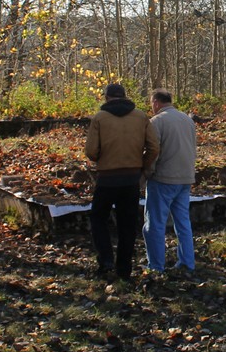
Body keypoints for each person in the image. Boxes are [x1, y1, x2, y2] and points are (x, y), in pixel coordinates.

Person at [84, 83, 159, 280]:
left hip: (107, 179)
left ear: (106, 97)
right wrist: (142, 166)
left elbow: (91, 151)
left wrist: (103, 158)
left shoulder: (99, 118)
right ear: (125, 96)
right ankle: (124, 268)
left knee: (98, 218)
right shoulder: (141, 116)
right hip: (131, 179)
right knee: (127, 224)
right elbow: (154, 147)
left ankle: (106, 258)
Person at [143, 89, 198, 275]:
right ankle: (187, 262)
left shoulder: (157, 122)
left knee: (155, 224)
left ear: (156, 102)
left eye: (152, 104)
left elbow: (153, 151)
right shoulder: (187, 120)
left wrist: (147, 173)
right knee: (183, 223)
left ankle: (156, 266)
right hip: (185, 177)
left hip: (164, 178)